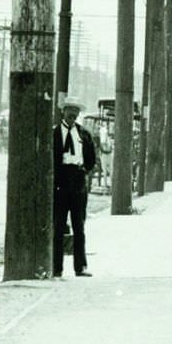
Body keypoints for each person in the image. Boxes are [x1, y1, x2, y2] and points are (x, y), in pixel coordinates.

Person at [53, 98, 97, 277]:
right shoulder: (54, 133)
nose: (72, 114)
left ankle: (80, 267)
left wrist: (84, 171)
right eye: (69, 110)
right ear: (63, 112)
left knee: (79, 227)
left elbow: (92, 158)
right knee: (58, 226)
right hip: (60, 183)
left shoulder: (84, 134)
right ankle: (56, 268)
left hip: (78, 183)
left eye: (75, 111)